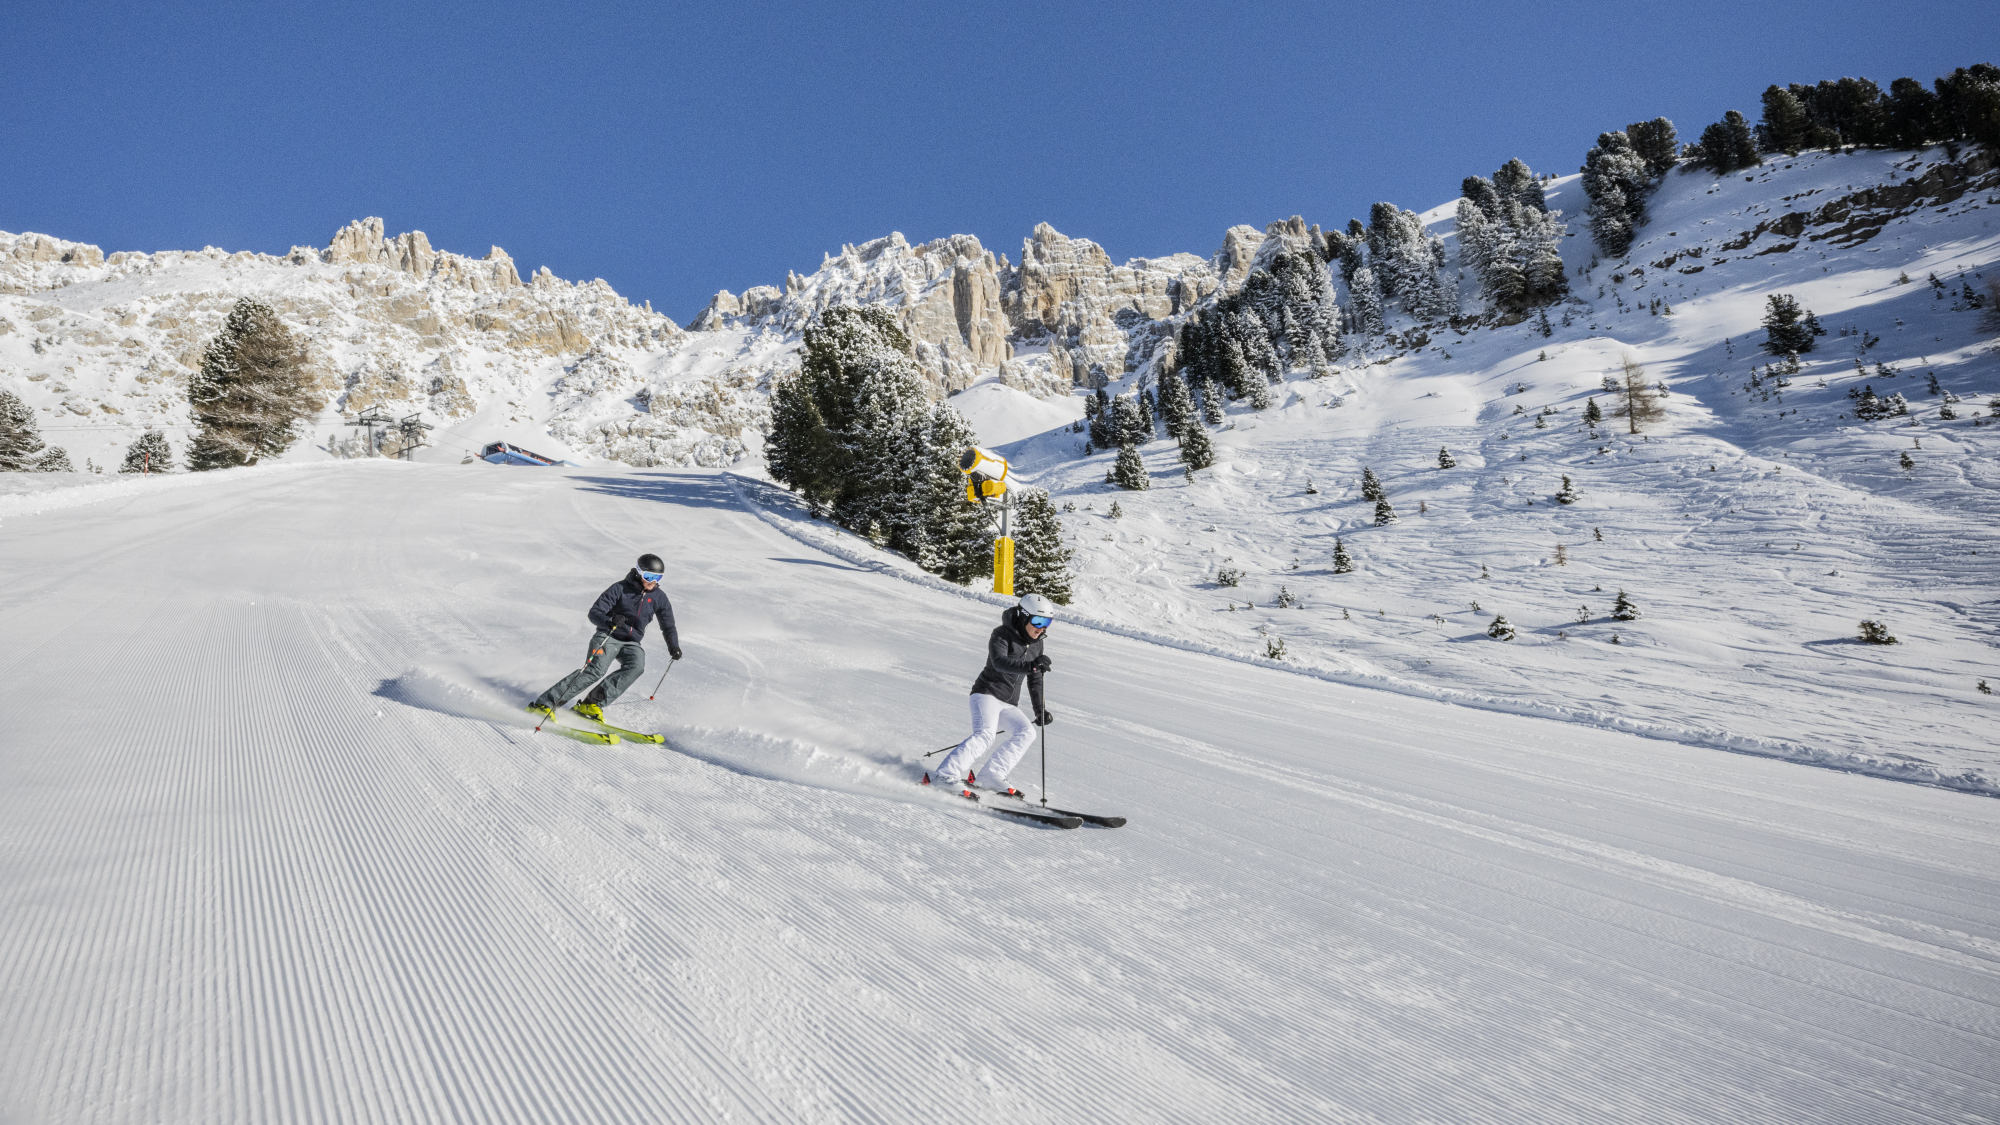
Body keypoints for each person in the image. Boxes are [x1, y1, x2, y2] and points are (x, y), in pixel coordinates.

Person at [928, 593, 1056, 797]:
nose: (1042, 628)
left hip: (1008, 703)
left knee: (1026, 733)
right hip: (986, 694)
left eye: (1047, 622)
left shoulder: (1037, 643)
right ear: (1024, 617)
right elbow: (999, 662)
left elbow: (1036, 678)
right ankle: (945, 775)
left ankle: (991, 776)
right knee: (985, 735)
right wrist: (1031, 665)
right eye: (1038, 621)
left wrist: (1039, 709)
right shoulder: (1001, 634)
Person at [529, 553, 682, 722]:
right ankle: (545, 704)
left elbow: (668, 625)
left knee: (636, 667)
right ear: (639, 573)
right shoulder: (620, 588)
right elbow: (594, 612)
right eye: (649, 576)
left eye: (658, 577)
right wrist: (609, 622)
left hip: (631, 642)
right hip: (608, 635)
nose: (653, 581)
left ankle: (590, 704)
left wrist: (673, 646)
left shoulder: (659, 597)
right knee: (595, 671)